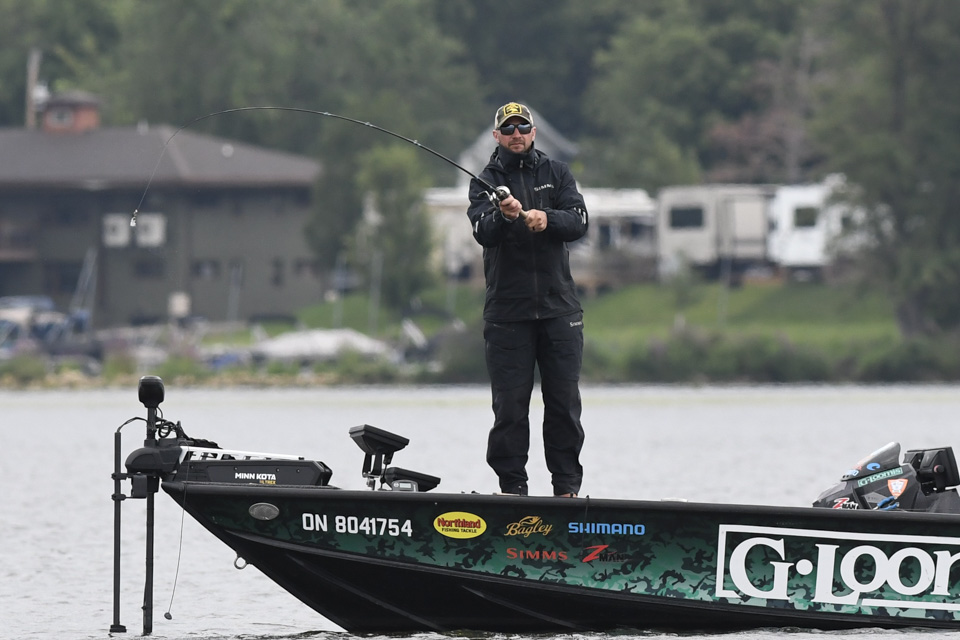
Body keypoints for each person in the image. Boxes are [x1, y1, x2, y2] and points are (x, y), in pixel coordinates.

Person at [466, 102, 589, 498]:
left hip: (560, 310)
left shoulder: (558, 173)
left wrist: (547, 219)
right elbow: (483, 231)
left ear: (533, 133)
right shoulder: (485, 181)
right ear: (497, 136)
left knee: (564, 405)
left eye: (522, 128)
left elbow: (579, 220)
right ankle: (513, 490)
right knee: (510, 409)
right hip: (507, 314)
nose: (516, 134)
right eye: (508, 129)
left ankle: (566, 490)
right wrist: (505, 215)